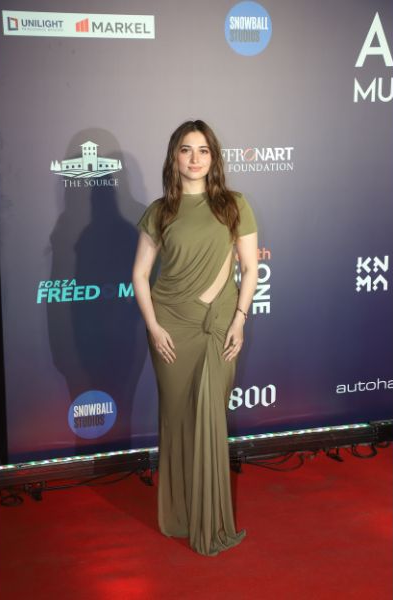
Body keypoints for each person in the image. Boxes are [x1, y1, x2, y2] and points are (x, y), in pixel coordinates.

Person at [132, 120, 259, 556]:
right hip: (170, 326)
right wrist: (154, 327)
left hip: (219, 326)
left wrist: (239, 319)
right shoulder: (160, 211)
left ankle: (211, 519)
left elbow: (250, 269)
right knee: (177, 420)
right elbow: (140, 275)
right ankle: (180, 515)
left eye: (203, 150)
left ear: (213, 157)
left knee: (210, 419)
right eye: (186, 150)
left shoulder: (234, 205)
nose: (195, 159)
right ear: (174, 156)